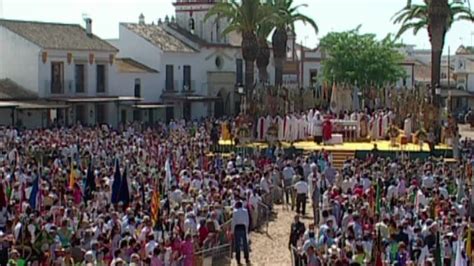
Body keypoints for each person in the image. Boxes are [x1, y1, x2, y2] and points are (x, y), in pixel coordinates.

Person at [231, 201, 250, 265]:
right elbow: (247, 220)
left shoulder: (235, 212)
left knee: (237, 245)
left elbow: (233, 222)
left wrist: (232, 231)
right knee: (245, 244)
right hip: (243, 227)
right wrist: (247, 229)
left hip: (237, 228)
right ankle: (246, 258)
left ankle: (238, 259)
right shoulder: (245, 211)